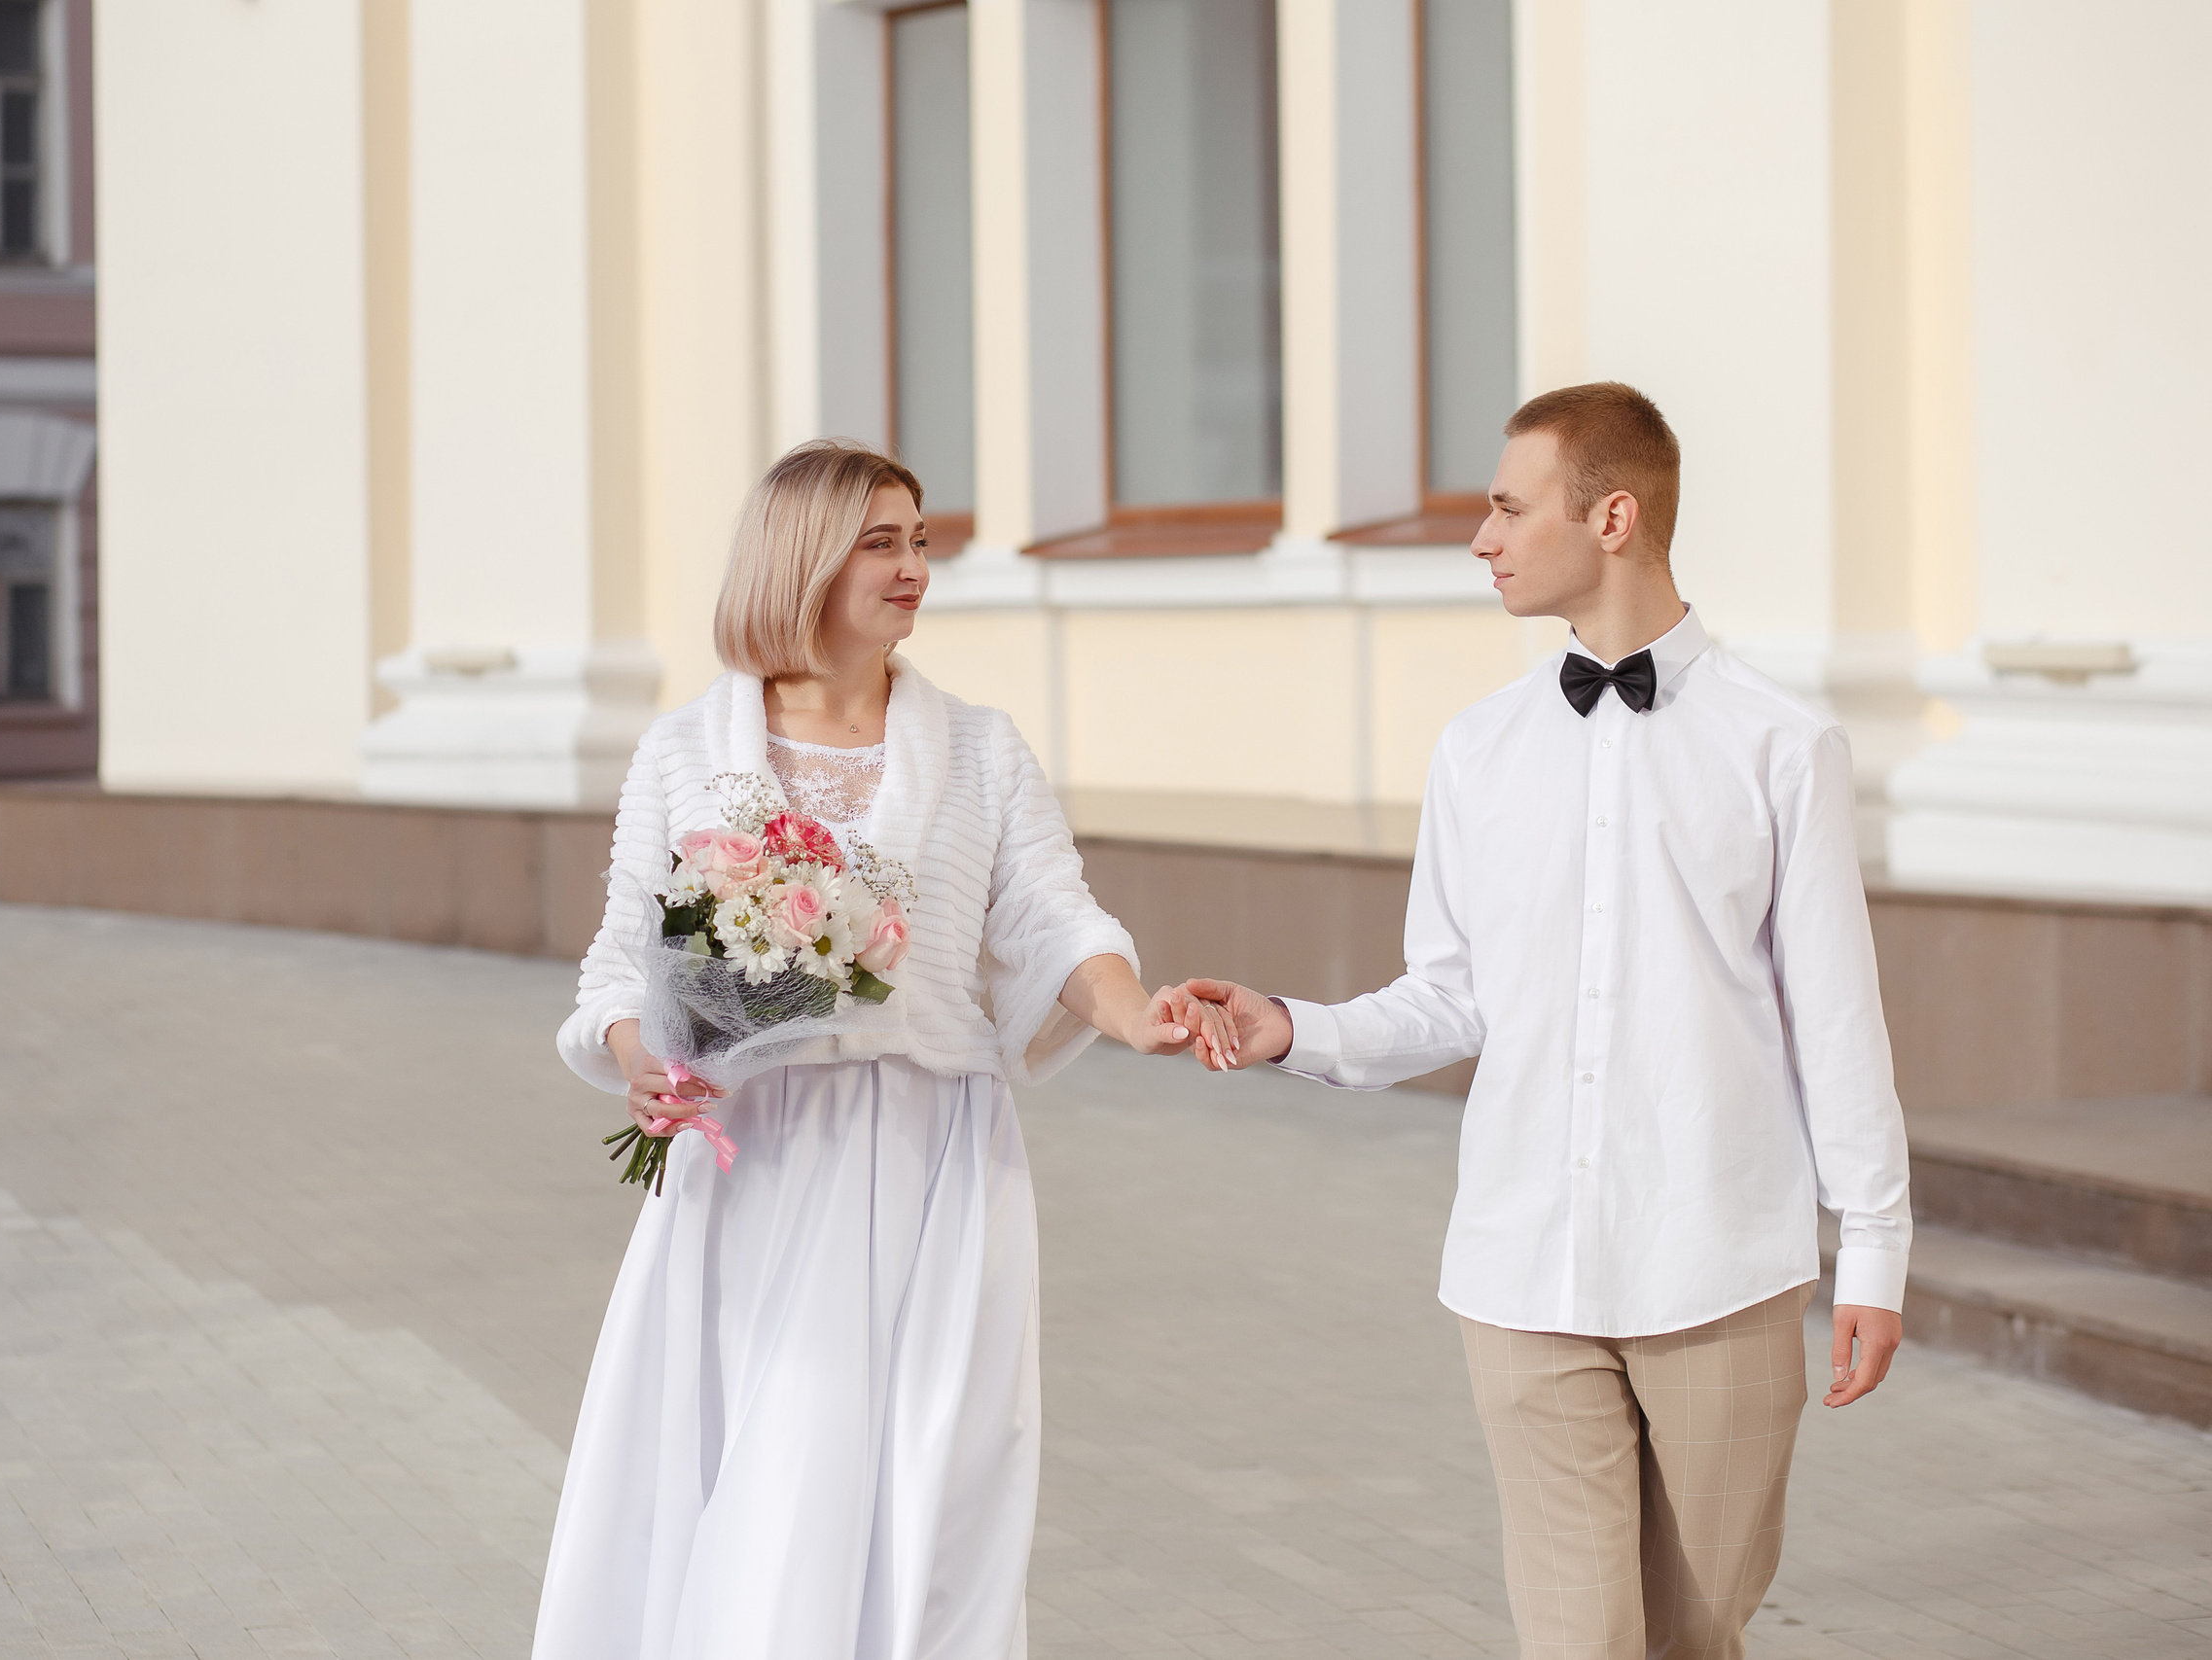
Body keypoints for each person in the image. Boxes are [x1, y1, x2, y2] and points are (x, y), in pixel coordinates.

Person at [1182, 384, 1910, 1660]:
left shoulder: (1783, 745)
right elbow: (1450, 991)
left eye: (1511, 506)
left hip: (1719, 1267)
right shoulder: (1478, 748)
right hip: (1522, 1272)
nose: (1483, 535)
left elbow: (1837, 1018)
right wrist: (1292, 1026)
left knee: (1695, 1630)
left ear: (1613, 515)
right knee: (1581, 1640)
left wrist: (1878, 1251)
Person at [534, 438, 1235, 1659]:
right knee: (774, 1469)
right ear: (803, 561)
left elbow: (1051, 914)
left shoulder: (980, 749)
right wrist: (641, 1051)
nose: (915, 567)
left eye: (919, 540)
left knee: (934, 1480)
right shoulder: (684, 753)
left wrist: (1133, 1011)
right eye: (881, 543)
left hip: (932, 1160)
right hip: (751, 1167)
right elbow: (617, 963)